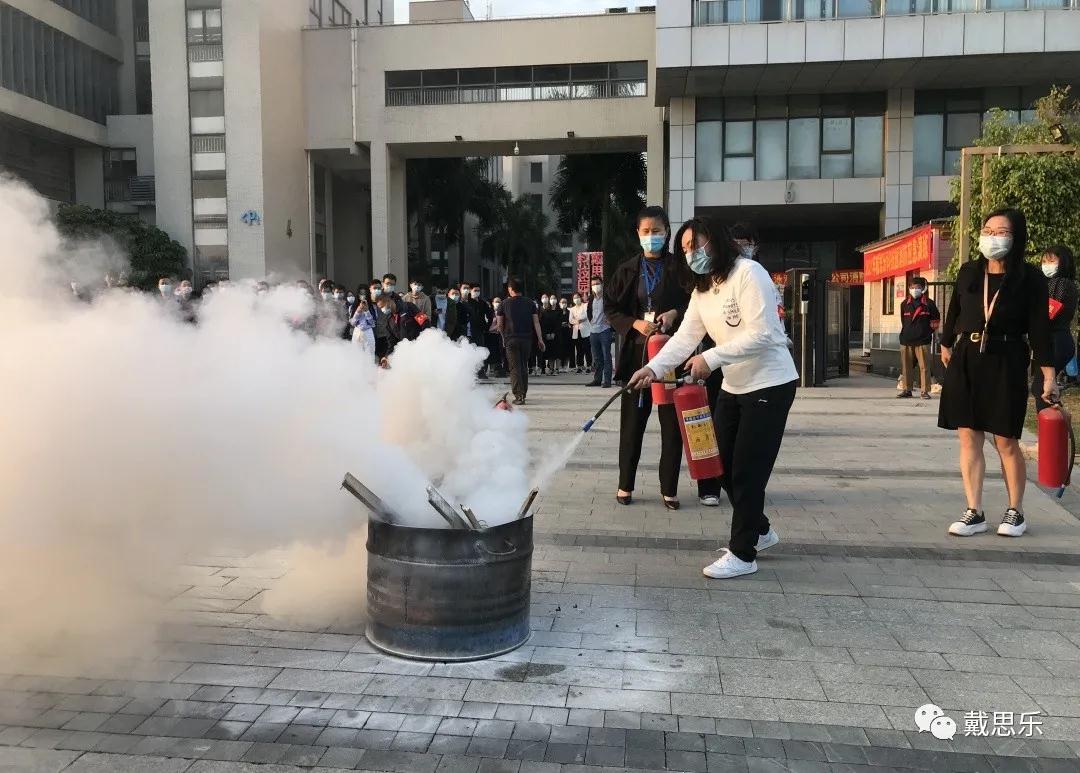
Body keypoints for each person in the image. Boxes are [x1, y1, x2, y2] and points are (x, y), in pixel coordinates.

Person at [629, 216, 799, 579]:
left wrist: (711, 358)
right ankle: (760, 530)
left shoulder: (749, 273)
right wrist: (653, 369)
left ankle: (743, 553)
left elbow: (764, 334)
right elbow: (684, 338)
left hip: (769, 383)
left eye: (696, 244)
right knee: (717, 465)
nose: (691, 254)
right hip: (734, 385)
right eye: (685, 249)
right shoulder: (703, 290)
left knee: (747, 472)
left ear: (717, 241)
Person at [939, 208, 1055, 539]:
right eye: (988, 231)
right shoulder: (969, 271)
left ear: (1016, 237)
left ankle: (1015, 511)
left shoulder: (1030, 278)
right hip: (967, 356)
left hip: (1007, 358)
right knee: (968, 436)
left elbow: (1040, 329)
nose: (992, 237)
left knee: (1006, 439)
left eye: (1001, 232)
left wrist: (1048, 375)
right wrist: (946, 343)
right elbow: (954, 310)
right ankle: (974, 511)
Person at [606, 205, 689, 510]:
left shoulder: (680, 267)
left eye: (657, 231)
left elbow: (696, 303)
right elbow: (611, 308)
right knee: (632, 423)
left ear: (667, 232)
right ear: (638, 234)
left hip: (671, 354)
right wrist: (634, 323)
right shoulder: (627, 269)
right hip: (637, 355)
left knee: (671, 424)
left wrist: (675, 313)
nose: (652, 236)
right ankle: (625, 484)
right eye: (646, 231)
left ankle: (669, 489)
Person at [1033, 245, 1078, 412]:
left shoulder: (1060, 283)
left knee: (1042, 388)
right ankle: (1057, 423)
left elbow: (1049, 313)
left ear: (1063, 262)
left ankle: (1053, 426)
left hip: (1056, 340)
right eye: (1044, 261)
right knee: (1042, 388)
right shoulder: (1063, 283)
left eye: (1051, 261)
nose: (1046, 265)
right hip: (1058, 340)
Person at [497, 278, 545, 405]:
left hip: (511, 339)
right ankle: (523, 392)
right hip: (526, 339)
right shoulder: (530, 303)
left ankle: (519, 396)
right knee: (523, 366)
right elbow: (536, 322)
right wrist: (540, 339)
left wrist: (503, 338)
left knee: (514, 368)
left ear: (510, 289)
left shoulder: (503, 304)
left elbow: (500, 325)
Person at [898, 277, 941, 400]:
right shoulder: (904, 304)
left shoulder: (929, 304)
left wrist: (932, 335)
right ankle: (907, 390)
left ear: (923, 289)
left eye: (917, 287)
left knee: (924, 367)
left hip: (923, 340)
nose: (914, 289)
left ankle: (924, 391)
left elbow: (935, 322)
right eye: (912, 287)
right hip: (906, 340)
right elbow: (904, 322)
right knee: (906, 367)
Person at [374, 291, 427, 365]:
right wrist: (387, 357)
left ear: (389, 301)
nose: (382, 310)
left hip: (420, 349)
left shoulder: (409, 307)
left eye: (383, 306)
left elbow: (425, 323)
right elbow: (391, 343)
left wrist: (425, 343)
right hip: (406, 354)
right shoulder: (389, 321)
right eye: (380, 308)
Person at [587, 277, 613, 387]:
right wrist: (591, 320)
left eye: (597, 284)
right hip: (593, 331)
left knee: (606, 356)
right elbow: (589, 311)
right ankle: (597, 379)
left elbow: (614, 309)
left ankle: (607, 381)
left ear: (602, 284)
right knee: (597, 357)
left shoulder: (608, 297)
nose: (595, 286)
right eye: (593, 284)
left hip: (604, 330)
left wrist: (611, 320)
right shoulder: (591, 298)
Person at [467, 286, 493, 378]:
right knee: (469, 351)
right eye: (475, 290)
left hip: (479, 330)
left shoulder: (482, 303)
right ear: (470, 291)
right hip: (468, 330)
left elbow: (490, 315)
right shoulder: (467, 302)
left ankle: (481, 372)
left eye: (478, 290)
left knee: (480, 351)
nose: (477, 292)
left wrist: (486, 327)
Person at [568, 293, 592, 373]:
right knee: (579, 350)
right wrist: (577, 321)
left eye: (577, 297)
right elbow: (570, 320)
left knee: (587, 349)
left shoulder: (585, 305)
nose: (576, 299)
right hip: (576, 331)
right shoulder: (572, 309)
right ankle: (579, 366)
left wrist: (578, 319)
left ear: (580, 298)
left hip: (586, 331)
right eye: (574, 298)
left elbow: (586, 316)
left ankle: (589, 366)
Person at [540, 295, 563, 375]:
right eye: (551, 298)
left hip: (557, 334)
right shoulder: (546, 311)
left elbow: (559, 324)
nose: (553, 300)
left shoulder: (559, 311)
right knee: (550, 352)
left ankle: (557, 369)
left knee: (558, 352)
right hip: (548, 334)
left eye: (554, 298)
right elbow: (545, 323)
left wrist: (554, 333)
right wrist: (547, 333)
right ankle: (551, 368)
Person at [557, 297, 573, 372]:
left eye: (565, 302)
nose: (564, 304)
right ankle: (560, 365)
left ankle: (566, 366)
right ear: (559, 303)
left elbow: (572, 321)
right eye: (562, 302)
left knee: (567, 349)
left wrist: (569, 324)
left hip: (567, 332)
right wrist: (560, 324)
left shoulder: (569, 312)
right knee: (560, 349)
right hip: (560, 333)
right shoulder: (558, 312)